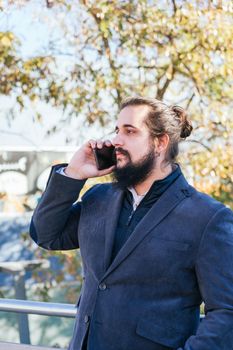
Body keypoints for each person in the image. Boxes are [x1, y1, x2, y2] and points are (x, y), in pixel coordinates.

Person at [30, 97, 233, 350]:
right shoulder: (98, 199)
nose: (116, 140)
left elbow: (226, 312)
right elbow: (46, 234)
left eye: (129, 131)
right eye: (117, 130)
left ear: (160, 143)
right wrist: (73, 174)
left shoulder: (207, 217)